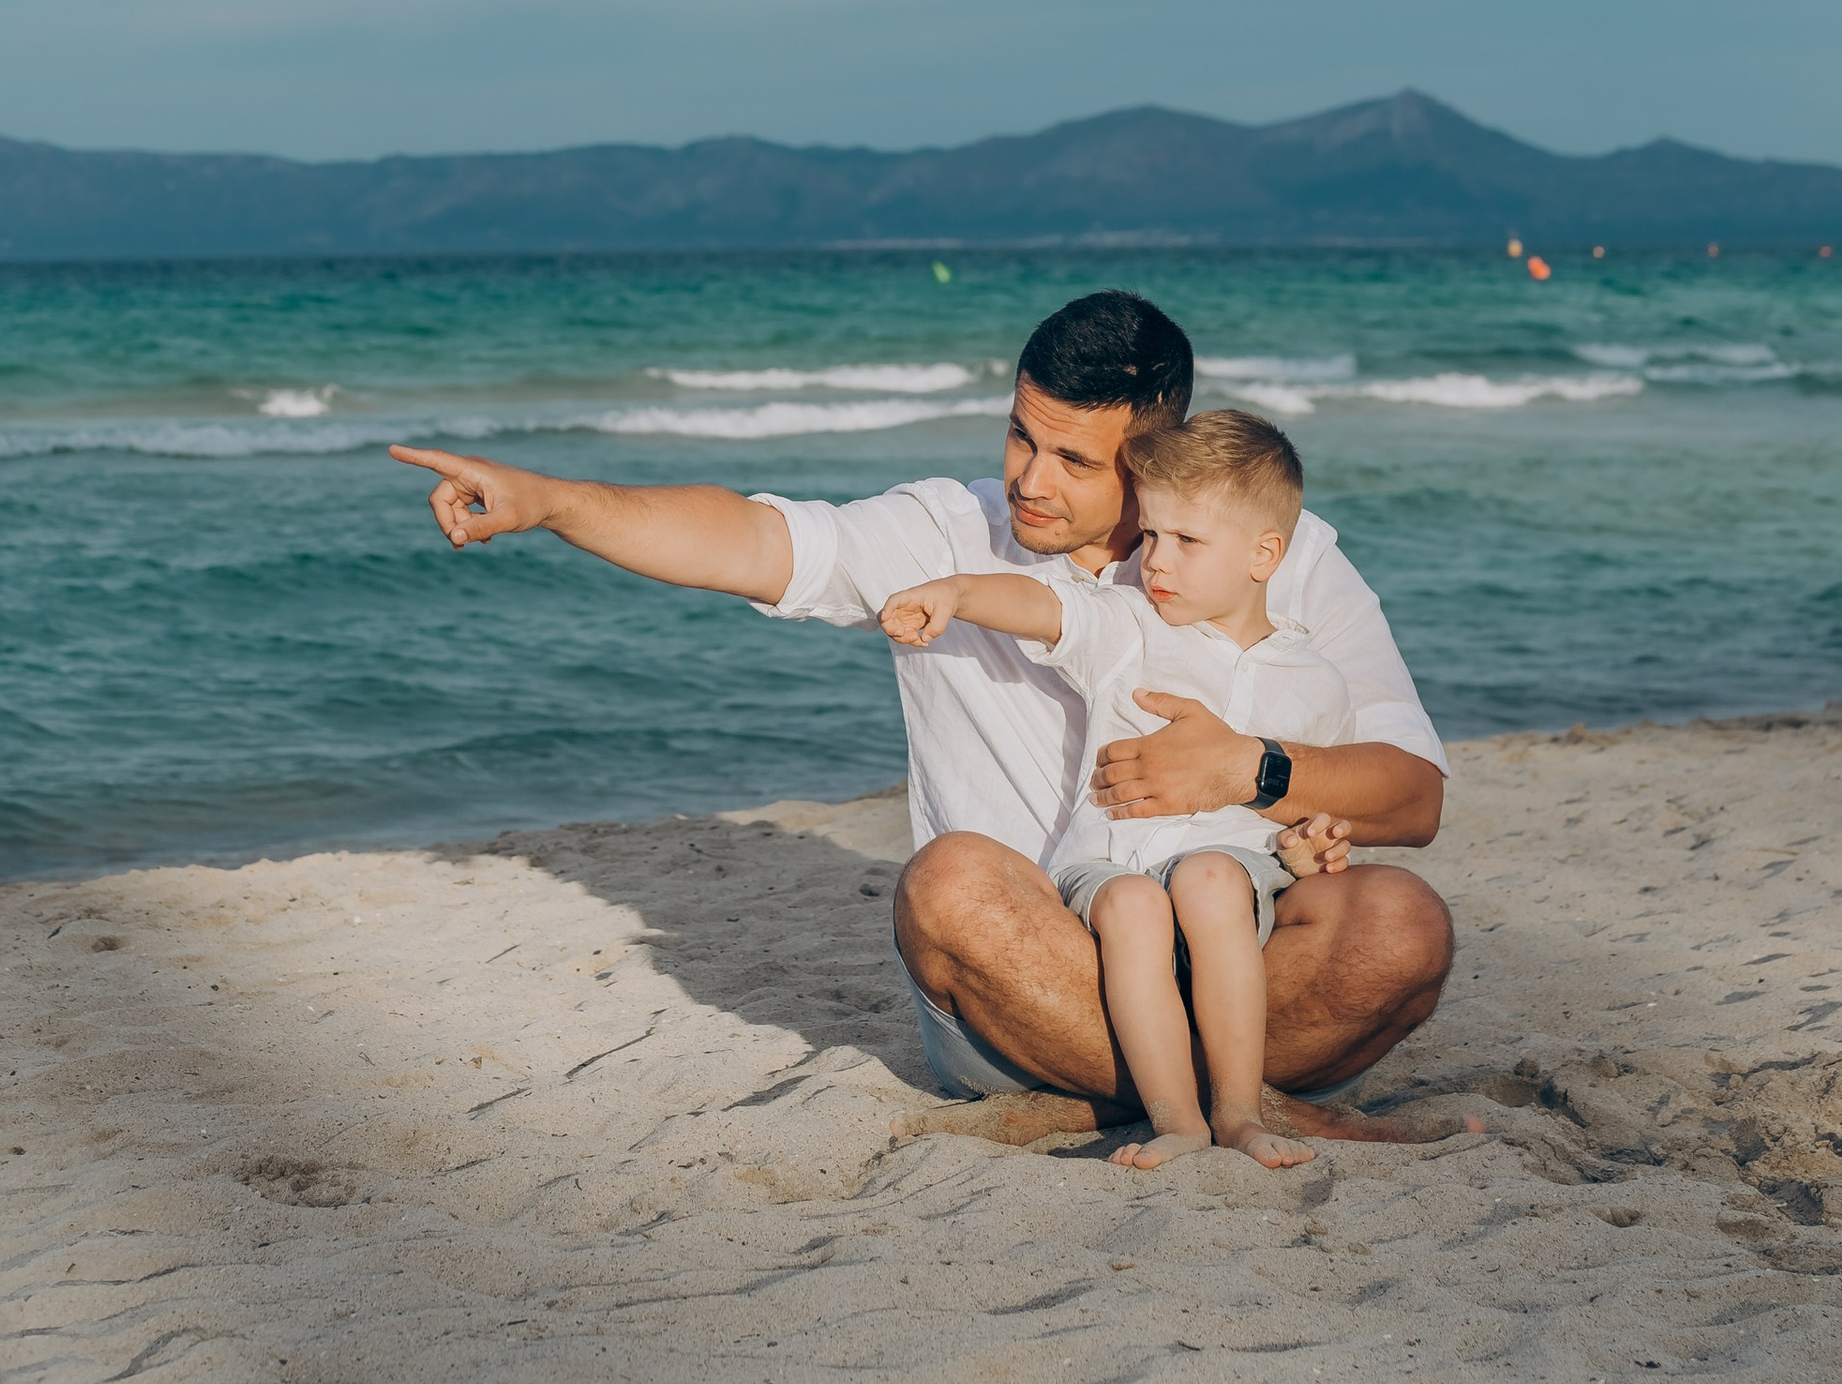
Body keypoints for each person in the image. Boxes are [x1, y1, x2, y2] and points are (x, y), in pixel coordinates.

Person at [390, 288, 1453, 1132]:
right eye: (1020, 437)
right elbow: (751, 540)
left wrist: (1248, 770)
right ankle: (1225, 1098)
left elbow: (1410, 796)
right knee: (953, 884)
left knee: (1400, 927)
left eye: (1073, 459)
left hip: (1225, 936)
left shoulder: (1281, 553)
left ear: (1154, 455)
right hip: (1040, 970)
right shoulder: (946, 534)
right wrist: (553, 502)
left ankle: (1155, 1095)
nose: (1029, 479)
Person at [881, 406, 1349, 1168]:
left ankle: (1238, 1112)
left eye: (1186, 542)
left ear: (1264, 554)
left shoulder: (1315, 684)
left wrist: (1310, 845)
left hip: (1232, 878)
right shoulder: (1128, 625)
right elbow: (1042, 608)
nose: (1156, 562)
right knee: (1136, 903)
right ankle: (1177, 1121)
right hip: (1110, 863)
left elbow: (1304, 812)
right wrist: (959, 593)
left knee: (1207, 877)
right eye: (1154, 535)